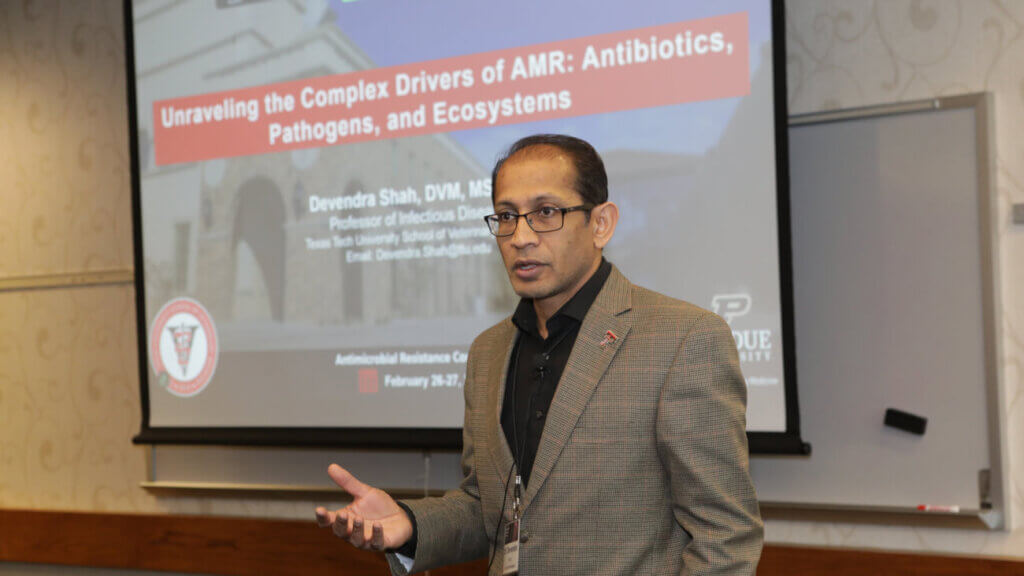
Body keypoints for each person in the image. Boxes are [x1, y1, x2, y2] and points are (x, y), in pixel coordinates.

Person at [315, 134, 763, 575]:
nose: (521, 236)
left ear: (601, 223)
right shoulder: (488, 352)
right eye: (507, 216)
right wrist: (409, 526)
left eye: (546, 212)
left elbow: (724, 536)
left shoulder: (683, 339)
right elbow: (488, 509)